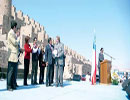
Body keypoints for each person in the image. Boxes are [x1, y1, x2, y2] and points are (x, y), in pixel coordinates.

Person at [7, 21, 20, 91]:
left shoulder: (13, 33)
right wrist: (18, 38)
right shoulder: (11, 33)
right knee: (10, 71)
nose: (16, 29)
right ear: (14, 27)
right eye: (16, 27)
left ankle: (12, 85)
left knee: (13, 71)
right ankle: (9, 86)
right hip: (12, 55)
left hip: (15, 55)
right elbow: (15, 42)